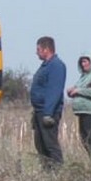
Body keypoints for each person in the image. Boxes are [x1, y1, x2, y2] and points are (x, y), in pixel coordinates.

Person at [29, 36, 66, 168]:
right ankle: (47, 173)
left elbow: (54, 91)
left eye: (38, 49)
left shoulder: (56, 66)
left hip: (47, 113)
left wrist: (48, 113)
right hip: (39, 111)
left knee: (50, 145)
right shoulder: (46, 66)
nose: (36, 52)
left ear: (46, 49)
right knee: (40, 145)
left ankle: (58, 173)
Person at [66, 53, 91, 155]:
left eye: (85, 61)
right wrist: (72, 91)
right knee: (85, 140)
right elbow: (80, 88)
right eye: (81, 62)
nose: (83, 64)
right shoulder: (83, 77)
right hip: (83, 111)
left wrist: (79, 91)